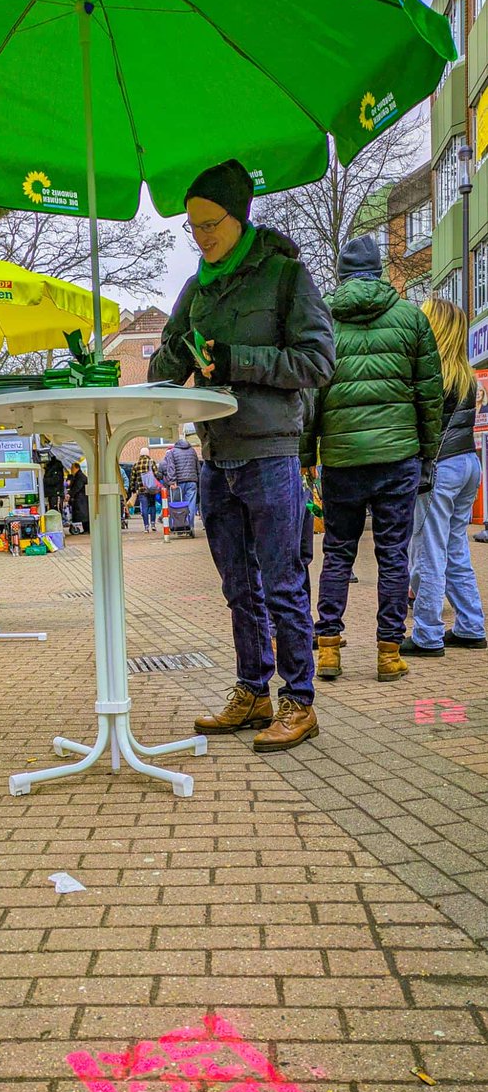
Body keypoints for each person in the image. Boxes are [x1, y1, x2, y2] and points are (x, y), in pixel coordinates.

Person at [149, 158, 335, 752]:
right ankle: (252, 691)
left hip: (270, 452)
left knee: (282, 581)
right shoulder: (197, 286)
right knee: (237, 585)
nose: (200, 237)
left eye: (210, 224)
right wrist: (162, 373)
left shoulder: (285, 276)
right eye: (192, 226)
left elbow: (318, 362)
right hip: (215, 453)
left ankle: (298, 700)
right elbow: (169, 354)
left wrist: (238, 362)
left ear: (239, 216)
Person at [302, 235, 442, 683]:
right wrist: (428, 453)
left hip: (342, 458)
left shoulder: (322, 321)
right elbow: (429, 394)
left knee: (338, 552)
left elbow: (310, 396)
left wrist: (308, 454)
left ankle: (327, 649)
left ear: (342, 274)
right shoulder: (411, 319)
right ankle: (387, 651)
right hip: (398, 456)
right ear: (379, 271)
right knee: (393, 554)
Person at [403, 298, 486, 655]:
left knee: (429, 551)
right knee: (455, 548)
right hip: (468, 464)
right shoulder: (465, 376)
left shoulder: (430, 373)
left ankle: (427, 633)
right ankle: (470, 624)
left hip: (440, 468)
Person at [160, 436, 201, 535]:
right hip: (192, 481)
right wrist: (198, 481)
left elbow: (171, 467)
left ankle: (179, 526)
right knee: (190, 505)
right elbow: (198, 467)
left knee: (177, 505)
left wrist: (172, 481)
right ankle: (190, 527)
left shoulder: (172, 452)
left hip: (178, 483)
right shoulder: (192, 451)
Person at [127, 446, 160, 533]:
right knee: (152, 505)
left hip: (141, 490)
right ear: (147, 454)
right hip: (151, 489)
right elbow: (156, 474)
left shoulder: (136, 464)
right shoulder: (151, 462)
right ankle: (153, 524)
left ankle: (146, 526)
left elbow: (132, 479)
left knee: (144, 508)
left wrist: (133, 489)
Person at [67, 461, 90, 533]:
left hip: (81, 499)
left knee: (83, 515)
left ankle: (87, 529)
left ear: (76, 468)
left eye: (72, 468)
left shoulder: (80, 477)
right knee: (83, 515)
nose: (71, 470)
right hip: (80, 499)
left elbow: (77, 487)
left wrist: (70, 494)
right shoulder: (77, 476)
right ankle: (85, 529)